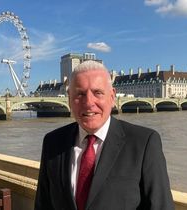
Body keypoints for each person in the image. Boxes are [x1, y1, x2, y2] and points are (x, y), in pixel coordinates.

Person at [35, 60, 174, 210]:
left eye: (98, 93)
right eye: (80, 94)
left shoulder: (144, 143)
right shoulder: (53, 142)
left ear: (112, 96)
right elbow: (43, 204)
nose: (88, 102)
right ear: (69, 98)